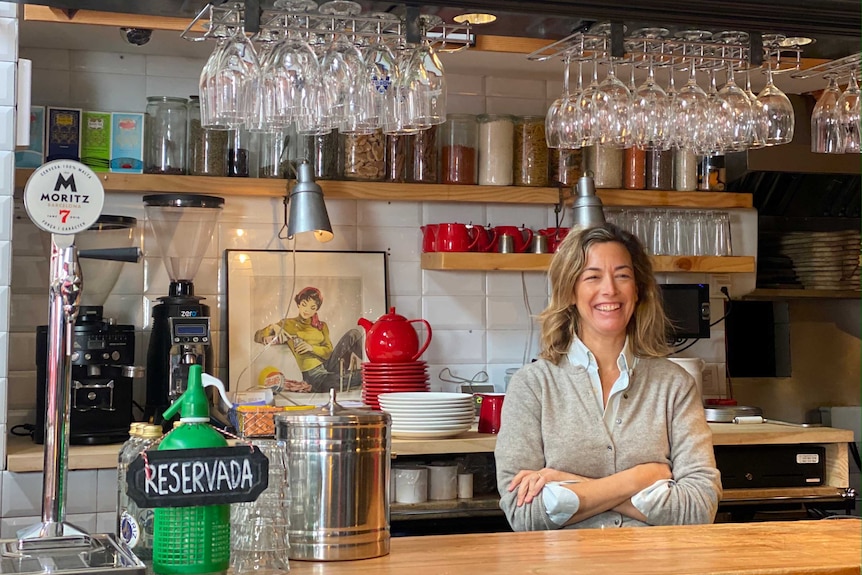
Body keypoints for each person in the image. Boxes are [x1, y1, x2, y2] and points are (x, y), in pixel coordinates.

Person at [495, 223, 722, 531]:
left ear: (638, 290)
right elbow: (524, 515)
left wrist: (565, 485)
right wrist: (642, 477)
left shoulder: (674, 385)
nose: (610, 290)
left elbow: (699, 508)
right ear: (570, 291)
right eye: (592, 276)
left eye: (622, 275)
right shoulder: (532, 385)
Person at [253, 286, 363, 393]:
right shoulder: (288, 324)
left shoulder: (322, 326)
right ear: (299, 304)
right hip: (314, 377)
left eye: (312, 307)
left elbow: (328, 351)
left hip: (328, 366)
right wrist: (274, 326)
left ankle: (370, 362)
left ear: (316, 309)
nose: (307, 310)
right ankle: (358, 373)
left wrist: (311, 348)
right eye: (304, 305)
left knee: (353, 334)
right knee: (362, 374)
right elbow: (258, 337)